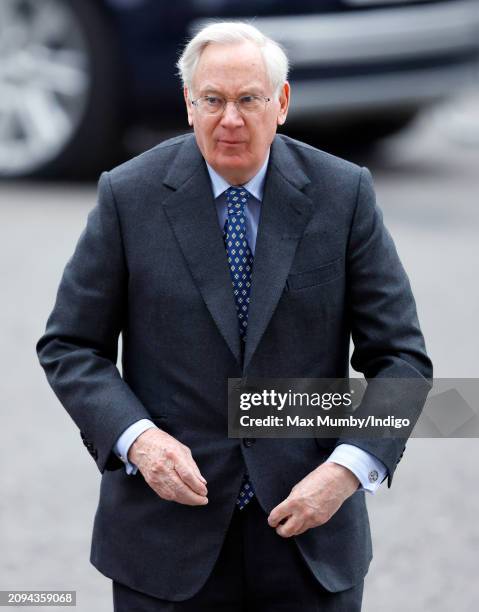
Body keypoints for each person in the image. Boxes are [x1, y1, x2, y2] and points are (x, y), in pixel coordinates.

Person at [37, 21, 432, 612]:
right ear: (188, 104)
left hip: (309, 531)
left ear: (282, 102)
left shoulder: (343, 194)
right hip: (165, 541)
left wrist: (347, 470)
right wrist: (138, 440)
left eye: (249, 99)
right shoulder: (128, 195)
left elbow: (402, 359)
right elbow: (70, 345)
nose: (230, 120)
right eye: (213, 101)